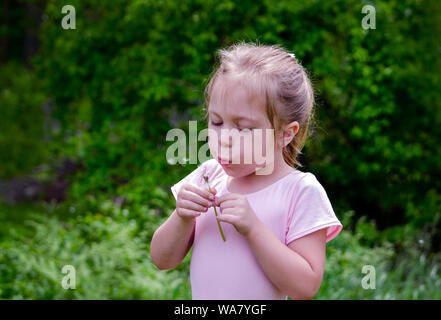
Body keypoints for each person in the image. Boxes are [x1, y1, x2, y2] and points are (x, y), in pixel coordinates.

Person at [150, 42, 342, 300]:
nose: (225, 138)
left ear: (285, 134)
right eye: (217, 122)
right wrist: (181, 216)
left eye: (243, 128)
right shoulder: (209, 175)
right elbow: (162, 259)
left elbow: (305, 287)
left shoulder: (299, 191)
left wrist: (253, 228)